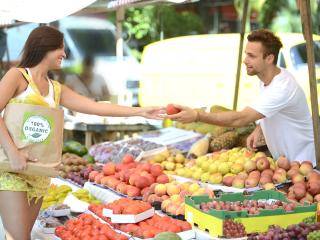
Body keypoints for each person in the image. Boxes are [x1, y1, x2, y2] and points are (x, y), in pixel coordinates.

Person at [0, 26, 162, 240]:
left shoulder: (55, 88)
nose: (65, 54)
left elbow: (96, 107)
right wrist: (13, 152)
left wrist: (141, 111)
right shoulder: (17, 76)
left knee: (24, 236)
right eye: (61, 49)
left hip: (39, 172)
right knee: (19, 237)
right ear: (44, 47)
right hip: (12, 169)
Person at [168, 29, 316, 165]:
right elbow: (273, 110)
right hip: (285, 162)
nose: (245, 60)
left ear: (269, 58)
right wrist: (260, 128)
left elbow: (240, 118)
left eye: (251, 56)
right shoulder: (267, 78)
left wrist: (196, 115)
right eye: (246, 54)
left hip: (303, 163)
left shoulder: (282, 87)